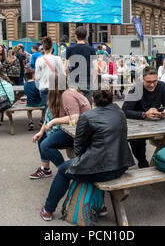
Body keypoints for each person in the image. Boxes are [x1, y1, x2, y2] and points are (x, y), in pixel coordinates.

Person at [39, 89, 135, 221]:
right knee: (85, 168)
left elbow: (78, 148)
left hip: (101, 170)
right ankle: (99, 206)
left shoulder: (87, 117)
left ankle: (48, 210)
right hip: (121, 166)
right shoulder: (119, 113)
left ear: (93, 100)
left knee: (63, 170)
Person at [122, 66, 165, 168]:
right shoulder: (136, 89)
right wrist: (144, 114)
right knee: (136, 140)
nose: (152, 84)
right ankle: (142, 162)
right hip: (139, 124)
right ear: (142, 79)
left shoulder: (161, 86)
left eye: (154, 81)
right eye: (149, 82)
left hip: (158, 122)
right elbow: (124, 111)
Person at [30, 73, 91, 179]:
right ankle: (46, 170)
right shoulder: (59, 96)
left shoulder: (67, 95)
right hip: (71, 128)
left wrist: (54, 121)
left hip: (81, 133)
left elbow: (75, 119)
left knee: (46, 145)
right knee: (42, 137)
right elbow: (49, 116)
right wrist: (41, 131)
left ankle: (66, 171)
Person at [65, 27, 97, 104]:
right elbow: (96, 68)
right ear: (86, 37)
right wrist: (93, 81)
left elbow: (65, 67)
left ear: (75, 36)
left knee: (74, 105)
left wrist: (68, 78)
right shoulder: (91, 49)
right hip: (87, 80)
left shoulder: (70, 49)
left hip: (74, 81)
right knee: (87, 105)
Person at [35, 36, 66, 110]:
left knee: (48, 110)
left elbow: (37, 77)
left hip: (43, 87)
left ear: (43, 48)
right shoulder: (57, 59)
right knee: (57, 110)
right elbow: (63, 75)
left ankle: (49, 121)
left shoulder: (39, 60)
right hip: (55, 88)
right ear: (52, 48)